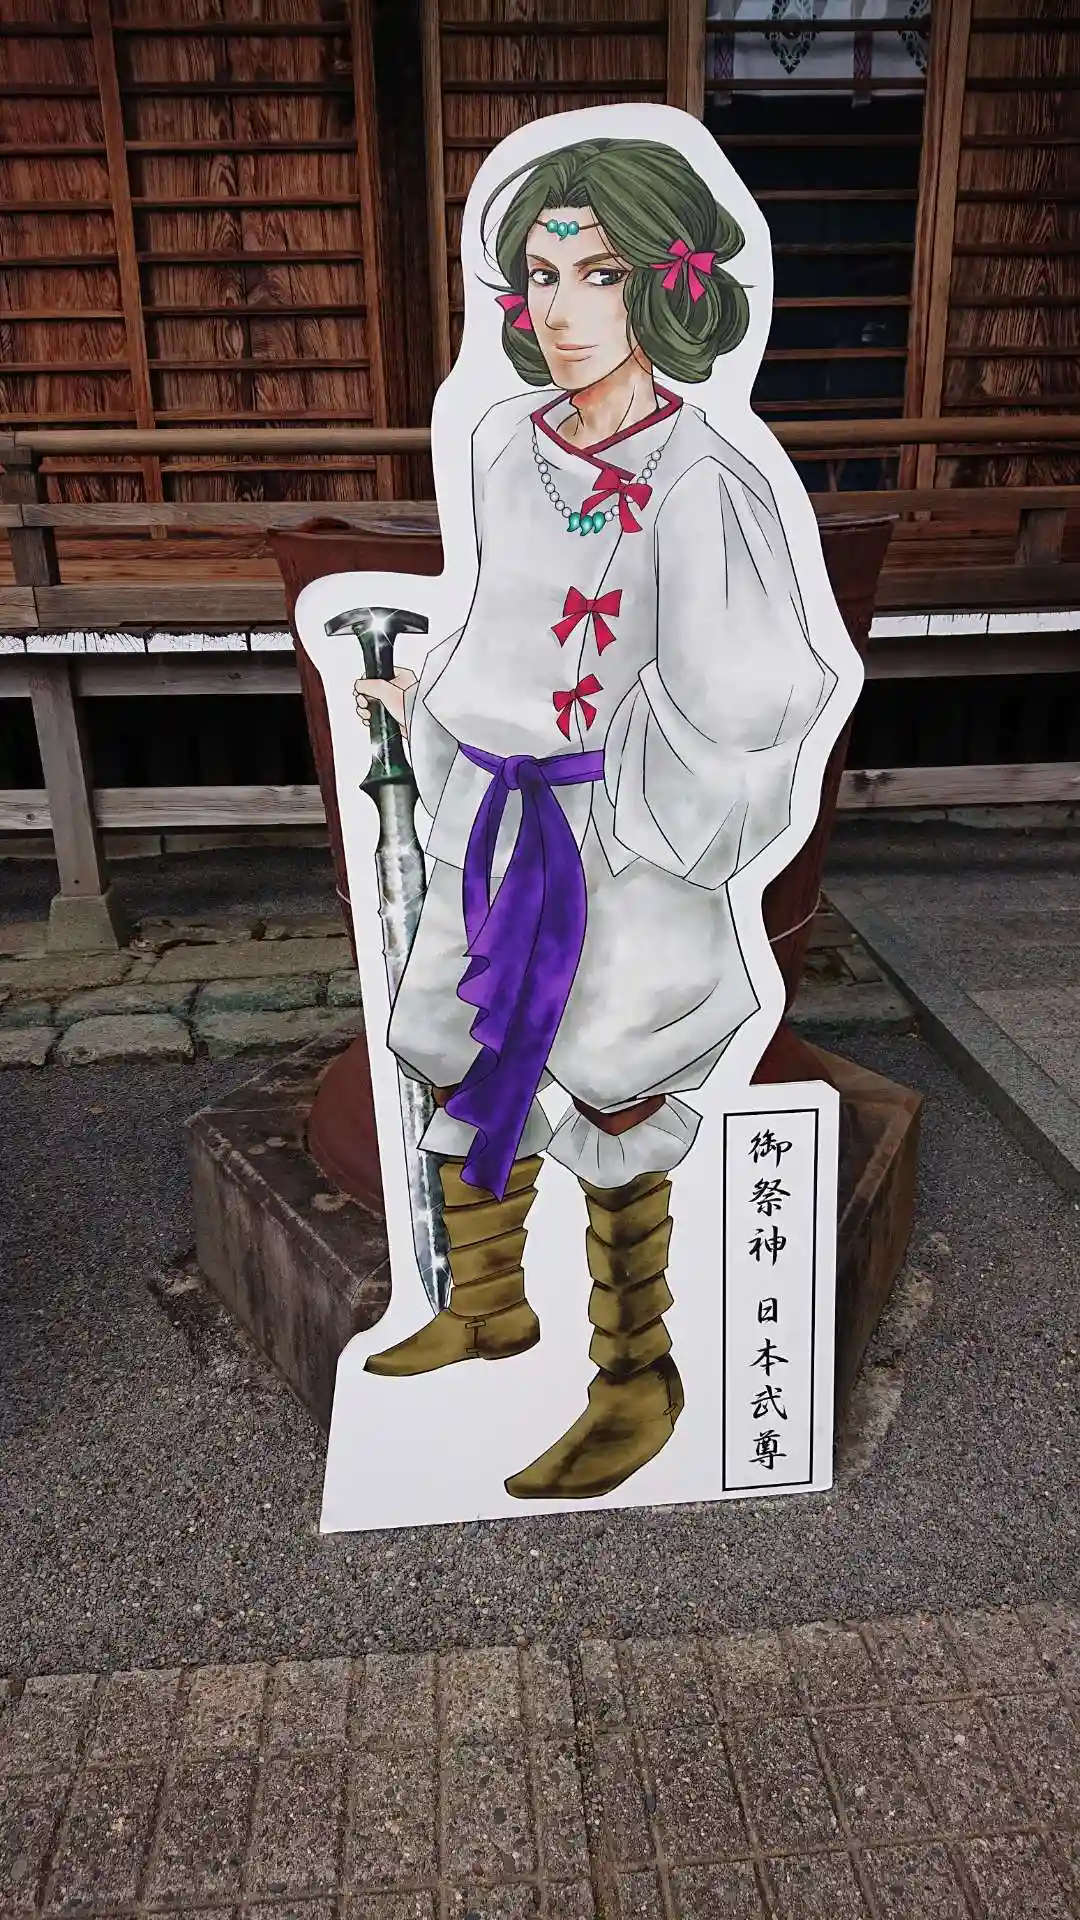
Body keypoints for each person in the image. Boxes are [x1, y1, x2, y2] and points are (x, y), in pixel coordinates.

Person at [351, 135, 834, 1501]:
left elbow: (756, 686)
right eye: (541, 276)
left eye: (599, 274)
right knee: (459, 1040)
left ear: (664, 286)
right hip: (493, 812)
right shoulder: (504, 444)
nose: (560, 310)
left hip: (622, 835)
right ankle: (486, 1303)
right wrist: (432, 697)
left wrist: (638, 793)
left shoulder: (703, 476)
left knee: (620, 1082)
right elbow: (496, 620)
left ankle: (636, 1376)